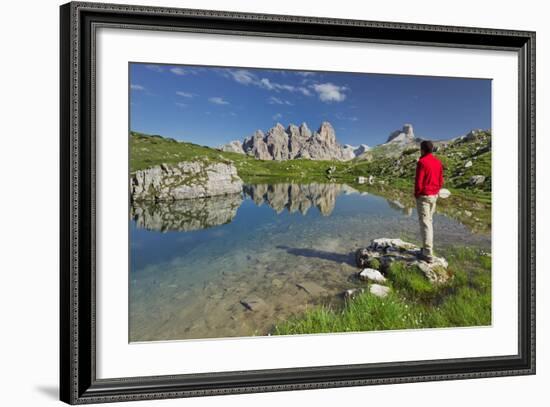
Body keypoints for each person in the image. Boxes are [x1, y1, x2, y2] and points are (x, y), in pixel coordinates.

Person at [414, 140, 444, 263]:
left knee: (425, 224)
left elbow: (419, 181)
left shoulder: (422, 162)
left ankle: (427, 253)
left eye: (421, 149)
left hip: (424, 197)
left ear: (423, 150)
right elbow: (441, 181)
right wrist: (436, 191)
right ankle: (427, 249)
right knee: (429, 222)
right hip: (434, 196)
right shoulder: (438, 162)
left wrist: (417, 194)